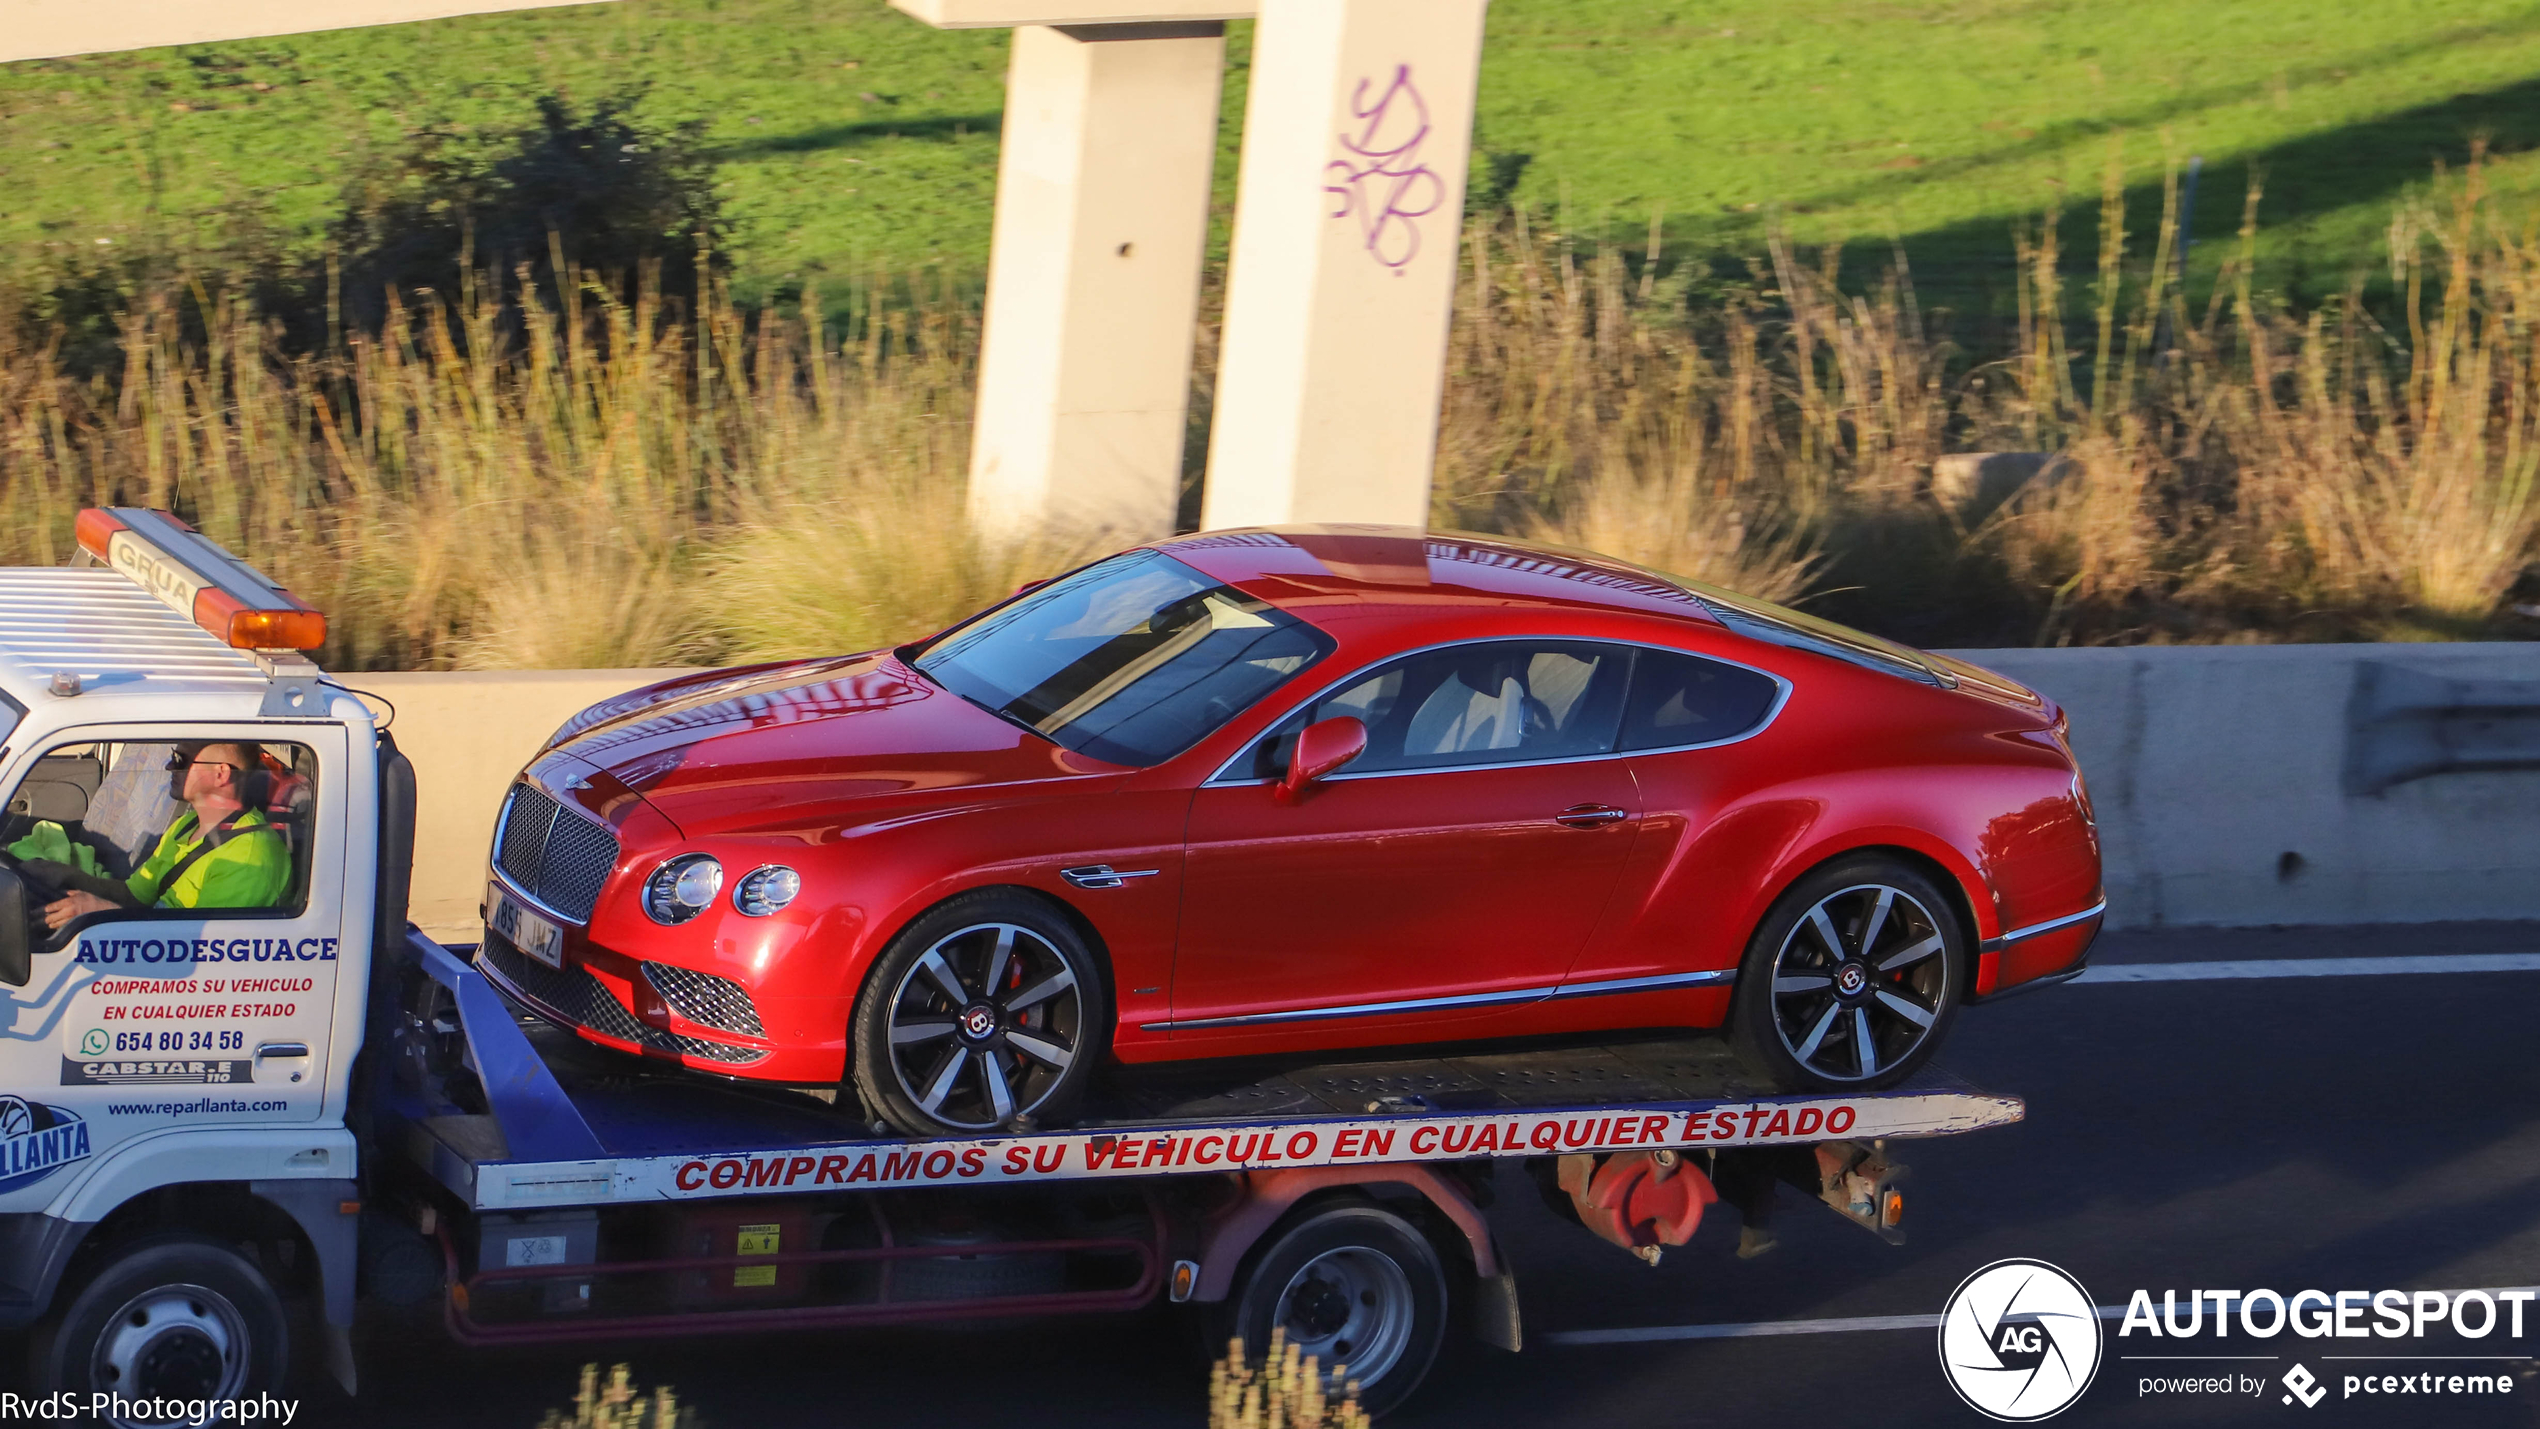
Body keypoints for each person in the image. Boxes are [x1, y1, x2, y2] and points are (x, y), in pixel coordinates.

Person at [40, 742, 290, 931]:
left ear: (221, 774)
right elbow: (135, 896)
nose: (169, 766)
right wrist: (67, 876)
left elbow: (203, 950)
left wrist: (99, 911)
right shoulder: (188, 823)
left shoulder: (249, 857)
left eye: (181, 760)